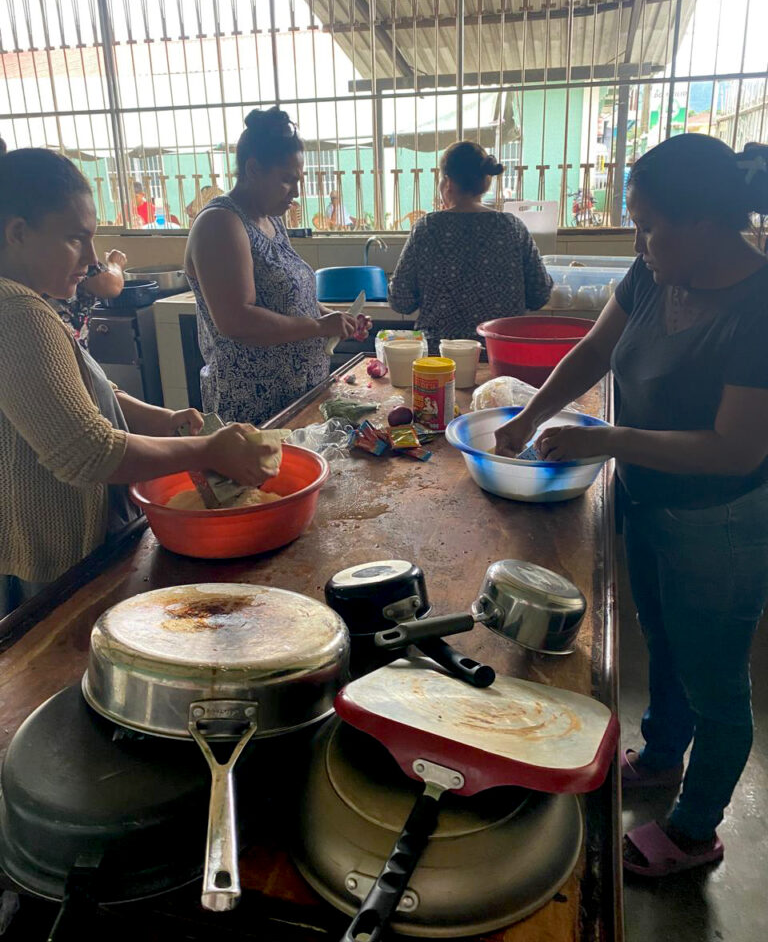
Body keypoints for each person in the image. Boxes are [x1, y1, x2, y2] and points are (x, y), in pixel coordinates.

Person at [494, 133, 768, 877]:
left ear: (707, 224)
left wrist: (608, 439)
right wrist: (527, 414)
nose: (638, 241)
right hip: (647, 503)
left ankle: (693, 832)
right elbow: (590, 350)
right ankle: (662, 755)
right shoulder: (653, 274)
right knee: (665, 642)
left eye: (649, 226)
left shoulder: (757, 306)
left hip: (723, 524)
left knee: (717, 680)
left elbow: (734, 449)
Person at [0, 140, 281, 613]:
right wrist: (209, 449)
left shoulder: (30, 302)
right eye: (75, 238)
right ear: (18, 233)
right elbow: (88, 454)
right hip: (53, 564)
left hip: (69, 549)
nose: (93, 259)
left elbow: (86, 392)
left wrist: (167, 419)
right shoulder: (16, 312)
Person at [184, 107, 362, 424]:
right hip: (253, 406)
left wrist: (335, 320)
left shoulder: (270, 220)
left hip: (297, 396)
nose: (296, 192)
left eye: (298, 180)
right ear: (253, 170)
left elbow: (287, 298)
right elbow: (237, 320)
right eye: (286, 180)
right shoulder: (220, 223)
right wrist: (320, 327)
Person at [388, 140, 552, 351]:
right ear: (485, 182)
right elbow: (540, 294)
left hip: (441, 359)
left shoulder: (428, 227)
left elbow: (401, 300)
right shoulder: (512, 227)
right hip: (500, 355)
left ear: (448, 182)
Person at [47, 248, 127, 347]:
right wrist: (115, 263)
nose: (92, 258)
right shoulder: (73, 259)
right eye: (75, 239)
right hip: (65, 349)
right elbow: (111, 285)